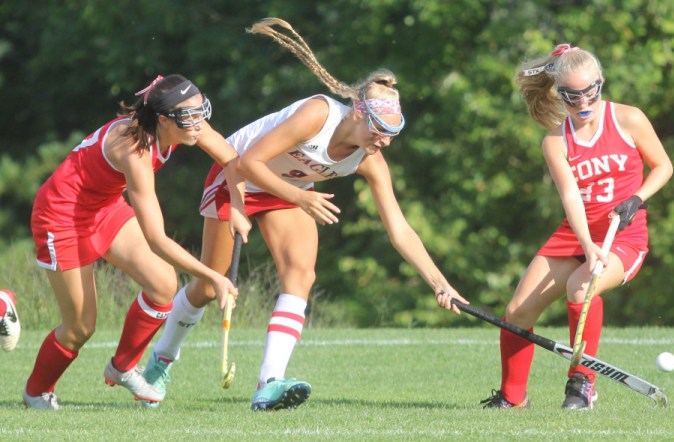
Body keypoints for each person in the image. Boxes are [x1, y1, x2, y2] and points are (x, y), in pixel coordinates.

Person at [144, 17, 468, 411]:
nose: (384, 141)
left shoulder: (370, 160)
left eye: (392, 133)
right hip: (238, 179)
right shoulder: (318, 114)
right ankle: (161, 359)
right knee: (210, 286)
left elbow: (399, 229)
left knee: (301, 274)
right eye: (379, 129)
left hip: (289, 192)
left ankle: (269, 383)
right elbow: (248, 163)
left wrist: (439, 282)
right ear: (357, 114)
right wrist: (300, 199)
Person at [24, 74, 250, 410]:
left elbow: (232, 159)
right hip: (62, 217)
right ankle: (36, 393)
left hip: (103, 208)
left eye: (200, 112)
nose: (199, 124)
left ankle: (122, 367)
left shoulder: (183, 126)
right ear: (163, 120)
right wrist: (213, 277)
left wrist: (238, 206)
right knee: (80, 328)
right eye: (189, 117)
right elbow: (156, 239)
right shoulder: (134, 149)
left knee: (162, 285)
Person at [479, 44, 673, 410]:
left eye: (590, 93)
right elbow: (570, 197)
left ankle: (582, 383)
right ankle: (512, 398)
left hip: (625, 237)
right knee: (518, 310)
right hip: (577, 233)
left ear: (601, 83)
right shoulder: (555, 141)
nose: (583, 104)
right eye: (571, 97)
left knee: (580, 288)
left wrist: (638, 198)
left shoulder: (628, 119)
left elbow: (663, 166)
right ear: (559, 93)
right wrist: (587, 244)